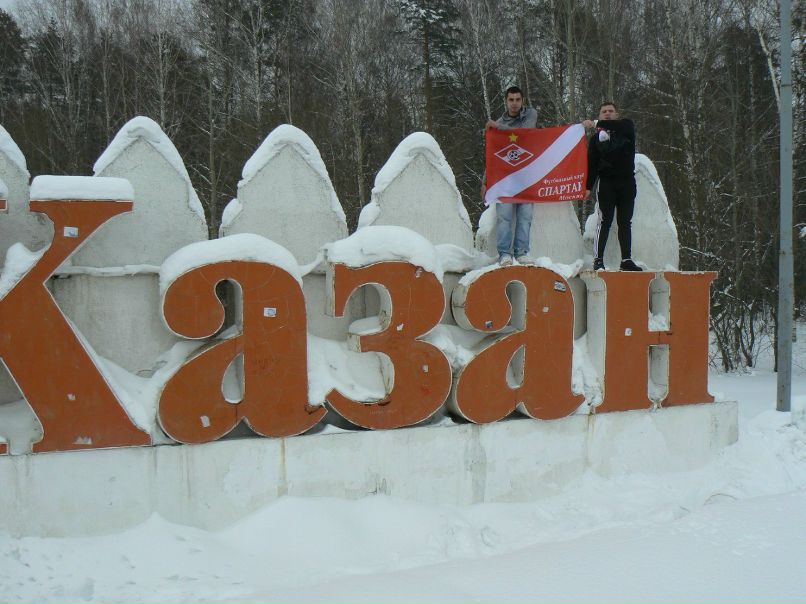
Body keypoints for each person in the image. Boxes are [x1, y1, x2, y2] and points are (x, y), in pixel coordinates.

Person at [582, 101, 642, 271]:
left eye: (610, 111)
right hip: (607, 183)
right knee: (604, 220)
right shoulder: (595, 139)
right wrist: (588, 187)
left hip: (627, 182)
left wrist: (594, 123)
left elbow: (622, 127)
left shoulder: (626, 128)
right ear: (600, 115)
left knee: (625, 222)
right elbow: (592, 164)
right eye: (604, 111)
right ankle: (598, 259)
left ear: (616, 114)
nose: (607, 113)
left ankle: (626, 260)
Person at [483, 85, 538, 266]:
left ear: (522, 101)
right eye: (511, 100)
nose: (514, 103)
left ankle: (522, 252)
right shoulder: (498, 124)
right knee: (504, 218)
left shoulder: (530, 115)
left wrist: (498, 127)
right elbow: (493, 154)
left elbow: (524, 133)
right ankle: (504, 254)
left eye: (517, 99)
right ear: (506, 101)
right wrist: (485, 182)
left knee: (525, 217)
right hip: (505, 179)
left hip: (526, 177)